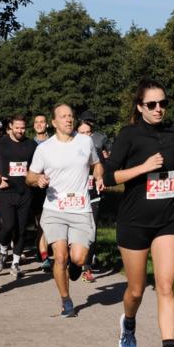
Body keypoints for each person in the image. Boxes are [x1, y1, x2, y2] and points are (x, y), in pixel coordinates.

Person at [103, 79, 174, 347]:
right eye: (152, 104)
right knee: (136, 289)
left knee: (166, 286)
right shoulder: (128, 135)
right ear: (140, 107)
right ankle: (128, 322)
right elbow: (108, 176)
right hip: (134, 222)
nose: (159, 109)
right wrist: (143, 167)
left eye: (163, 103)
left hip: (167, 219)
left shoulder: (171, 133)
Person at [28, 103, 104, 318]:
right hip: (54, 209)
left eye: (71, 116)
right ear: (54, 122)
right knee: (60, 257)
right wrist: (38, 179)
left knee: (78, 258)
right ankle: (66, 300)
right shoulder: (44, 148)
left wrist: (98, 176)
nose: (69, 119)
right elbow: (29, 176)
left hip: (80, 209)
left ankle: (76, 265)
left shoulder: (85, 141)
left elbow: (96, 164)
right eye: (63, 116)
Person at [0, 115, 37, 277]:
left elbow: (37, 165)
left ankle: (16, 263)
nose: (20, 131)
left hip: (25, 192)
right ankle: (3, 251)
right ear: (10, 126)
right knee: (8, 226)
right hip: (6, 191)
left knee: (21, 228)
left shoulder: (31, 144)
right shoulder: (0, 143)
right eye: (17, 127)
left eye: (23, 128)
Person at [76, 120, 102, 282]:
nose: (86, 136)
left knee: (91, 233)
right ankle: (73, 260)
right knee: (74, 233)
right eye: (82, 133)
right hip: (74, 200)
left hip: (93, 197)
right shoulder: (69, 152)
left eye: (88, 133)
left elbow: (103, 170)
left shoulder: (97, 151)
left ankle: (87, 267)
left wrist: (101, 179)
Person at [32, 113, 52, 273]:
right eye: (36, 122)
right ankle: (44, 255)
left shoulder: (55, 142)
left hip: (55, 187)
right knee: (42, 223)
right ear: (33, 126)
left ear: (47, 124)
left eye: (42, 122)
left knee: (49, 222)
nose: (39, 124)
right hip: (36, 188)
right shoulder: (29, 144)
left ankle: (47, 254)